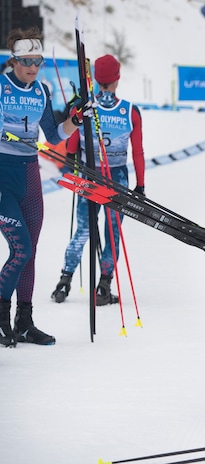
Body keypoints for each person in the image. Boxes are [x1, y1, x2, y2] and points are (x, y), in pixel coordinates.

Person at [0, 27, 86, 348]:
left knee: (29, 252)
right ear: (14, 61)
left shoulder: (42, 91)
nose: (33, 67)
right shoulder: (1, 86)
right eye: (27, 61)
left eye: (38, 61)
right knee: (20, 248)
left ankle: (24, 321)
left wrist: (75, 121)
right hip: (2, 175)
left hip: (29, 176)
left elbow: (52, 136)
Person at [50, 54, 145, 306]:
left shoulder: (83, 107)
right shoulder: (130, 111)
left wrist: (71, 160)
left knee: (82, 230)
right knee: (112, 233)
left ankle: (64, 280)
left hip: (88, 176)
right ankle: (103, 285)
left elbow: (71, 144)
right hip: (117, 179)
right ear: (117, 78)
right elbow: (138, 152)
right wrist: (141, 186)